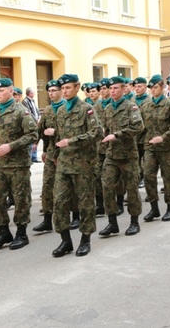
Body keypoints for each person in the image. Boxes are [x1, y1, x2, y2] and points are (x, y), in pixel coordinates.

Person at [0, 78, 38, 250]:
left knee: (21, 199)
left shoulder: (21, 111)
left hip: (18, 165)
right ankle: (4, 231)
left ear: (11, 92)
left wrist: (11, 146)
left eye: (2, 91)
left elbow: (33, 135)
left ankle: (21, 233)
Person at [51, 74, 102, 257]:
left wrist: (72, 141)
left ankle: (85, 240)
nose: (64, 91)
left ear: (77, 87)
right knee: (59, 202)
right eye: (62, 88)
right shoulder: (61, 111)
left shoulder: (87, 109)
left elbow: (97, 133)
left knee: (85, 203)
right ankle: (65, 241)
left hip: (83, 165)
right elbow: (58, 136)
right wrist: (55, 154)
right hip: (64, 164)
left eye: (67, 88)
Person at [98, 76, 144, 237]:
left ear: (124, 89)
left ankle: (134, 222)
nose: (112, 91)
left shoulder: (131, 107)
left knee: (131, 189)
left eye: (115, 88)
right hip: (111, 155)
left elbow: (138, 126)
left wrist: (117, 135)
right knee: (107, 186)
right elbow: (104, 130)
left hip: (128, 155)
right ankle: (112, 222)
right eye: (110, 89)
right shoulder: (108, 109)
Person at [140, 76, 170, 222]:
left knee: (167, 178)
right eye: (151, 88)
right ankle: (154, 208)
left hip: (166, 147)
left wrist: (163, 137)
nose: (153, 90)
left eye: (156, 87)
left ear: (162, 88)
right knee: (148, 176)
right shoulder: (145, 106)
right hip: (150, 146)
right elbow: (141, 127)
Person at [33, 79, 65, 233]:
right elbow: (41, 132)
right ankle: (47, 219)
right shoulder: (47, 110)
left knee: (69, 187)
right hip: (52, 153)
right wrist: (41, 147)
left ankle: (76, 215)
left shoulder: (69, 108)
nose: (51, 93)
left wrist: (56, 132)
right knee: (47, 186)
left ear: (61, 91)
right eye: (49, 91)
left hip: (69, 154)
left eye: (54, 90)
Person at [93, 79, 113, 217]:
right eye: (102, 89)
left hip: (114, 147)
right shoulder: (96, 106)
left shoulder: (116, 104)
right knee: (97, 176)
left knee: (113, 178)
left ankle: (116, 202)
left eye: (106, 88)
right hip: (99, 147)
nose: (104, 91)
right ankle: (100, 204)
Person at [132, 77, 151, 189]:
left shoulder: (149, 101)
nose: (137, 89)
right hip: (134, 137)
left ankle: (144, 179)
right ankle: (138, 178)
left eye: (139, 86)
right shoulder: (132, 101)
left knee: (146, 161)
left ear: (145, 87)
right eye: (135, 87)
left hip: (146, 136)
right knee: (136, 160)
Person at [22, 87, 40, 163]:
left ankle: (34, 157)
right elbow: (28, 112)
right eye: (33, 92)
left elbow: (36, 110)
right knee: (30, 139)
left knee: (35, 138)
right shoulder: (25, 101)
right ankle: (30, 157)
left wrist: (39, 117)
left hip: (36, 121)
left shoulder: (33, 100)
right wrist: (35, 119)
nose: (34, 94)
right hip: (31, 122)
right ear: (30, 93)